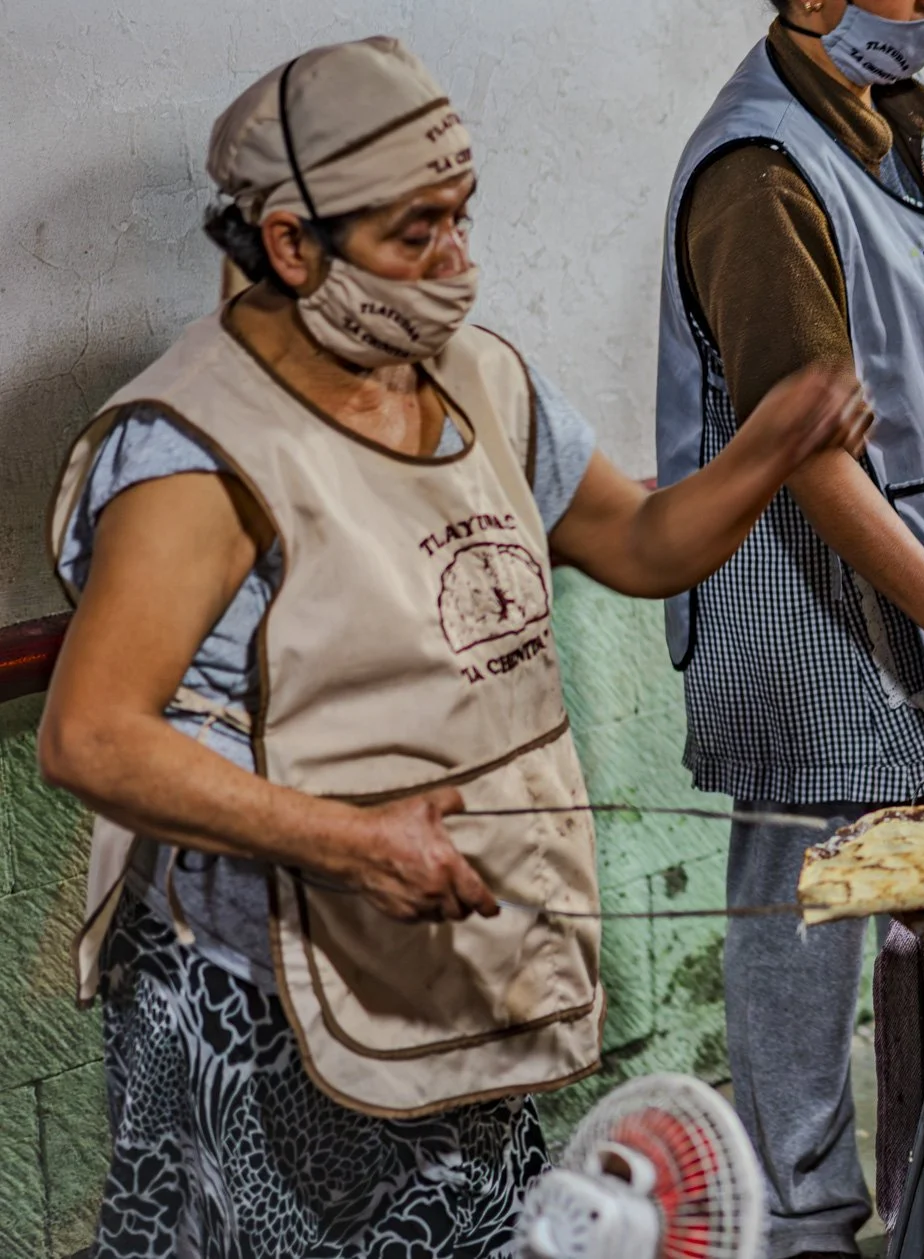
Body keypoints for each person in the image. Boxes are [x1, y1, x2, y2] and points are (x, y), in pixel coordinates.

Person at [38, 38, 869, 1255]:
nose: (455, 260)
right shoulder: (198, 452)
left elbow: (639, 541)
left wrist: (772, 445)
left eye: (460, 217)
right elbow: (90, 735)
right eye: (414, 233)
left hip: (448, 950)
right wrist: (349, 841)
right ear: (290, 244)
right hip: (262, 983)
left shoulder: (478, 380)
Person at [655, 2, 924, 1253]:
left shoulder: (889, 125)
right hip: (811, 618)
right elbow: (806, 456)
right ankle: (802, 1223)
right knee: (804, 929)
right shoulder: (758, 174)